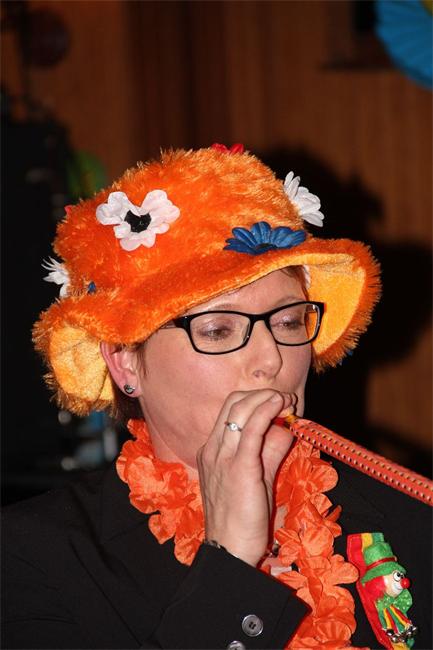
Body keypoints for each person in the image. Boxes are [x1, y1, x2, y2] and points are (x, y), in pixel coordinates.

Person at [2, 143, 432, 650]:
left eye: (289, 322)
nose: (271, 359)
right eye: (218, 330)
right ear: (124, 362)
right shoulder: (33, 557)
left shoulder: (408, 516)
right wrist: (230, 563)